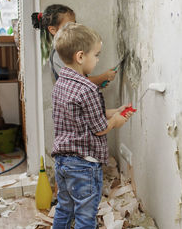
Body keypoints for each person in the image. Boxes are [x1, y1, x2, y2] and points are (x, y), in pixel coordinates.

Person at [51, 22, 132, 229]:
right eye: (96, 55)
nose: (97, 60)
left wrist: (116, 110)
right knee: (85, 217)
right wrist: (116, 121)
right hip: (83, 166)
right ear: (80, 56)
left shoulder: (61, 82)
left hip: (63, 162)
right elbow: (99, 128)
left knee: (64, 208)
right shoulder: (88, 89)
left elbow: (84, 115)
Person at [31, 4, 116, 86]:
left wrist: (97, 83)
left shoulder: (71, 49)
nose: (74, 28)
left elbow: (81, 79)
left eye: (74, 24)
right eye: (69, 25)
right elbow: (78, 83)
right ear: (53, 30)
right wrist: (103, 77)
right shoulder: (59, 54)